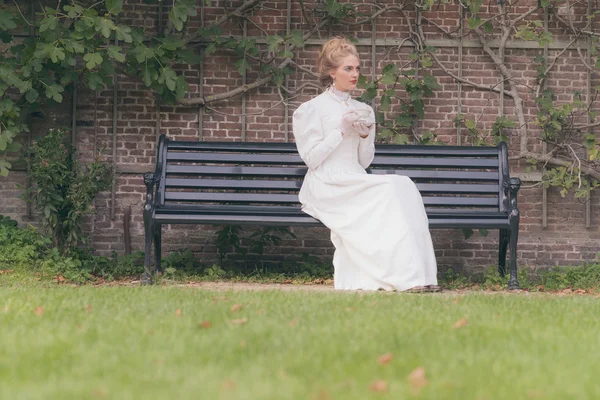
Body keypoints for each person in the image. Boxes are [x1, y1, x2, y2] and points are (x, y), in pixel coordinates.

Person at [292, 37, 440, 293]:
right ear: (331, 72)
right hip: (327, 182)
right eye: (348, 69)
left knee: (403, 185)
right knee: (389, 189)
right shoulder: (311, 110)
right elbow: (312, 159)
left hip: (354, 176)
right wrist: (339, 130)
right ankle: (405, 278)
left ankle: (419, 276)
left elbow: (364, 161)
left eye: (357, 68)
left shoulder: (364, 109)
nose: (355, 74)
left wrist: (364, 136)